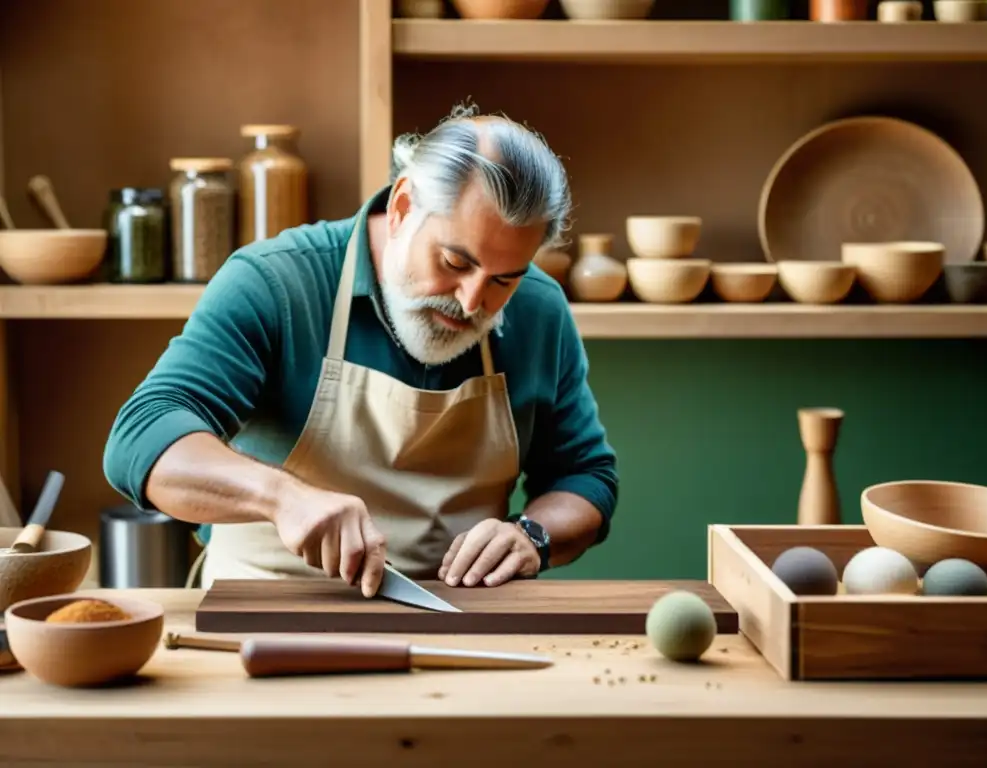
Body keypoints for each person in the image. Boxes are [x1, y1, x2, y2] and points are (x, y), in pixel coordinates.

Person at [102, 102, 619, 597]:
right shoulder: (275, 283)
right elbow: (141, 438)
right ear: (401, 207)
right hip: (264, 614)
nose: (472, 301)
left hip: (461, 618)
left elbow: (586, 476)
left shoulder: (539, 310)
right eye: (454, 263)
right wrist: (282, 497)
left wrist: (533, 534)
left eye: (503, 279)